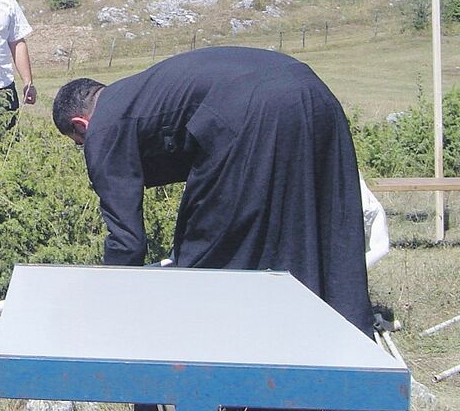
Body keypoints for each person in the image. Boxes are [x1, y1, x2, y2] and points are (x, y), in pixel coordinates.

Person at [52, 47, 372, 336]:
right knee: (313, 220)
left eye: (79, 143)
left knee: (209, 250)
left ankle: (228, 351)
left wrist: (105, 300)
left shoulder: (104, 128)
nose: (86, 149)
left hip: (252, 110)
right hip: (311, 90)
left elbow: (128, 240)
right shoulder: (138, 94)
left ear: (80, 124)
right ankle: (336, 340)